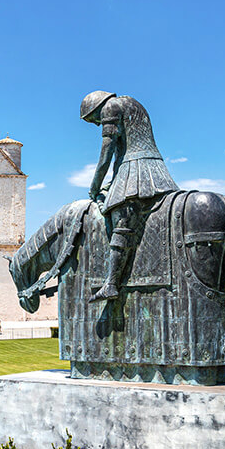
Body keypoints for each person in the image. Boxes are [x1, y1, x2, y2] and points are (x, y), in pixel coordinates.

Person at [80, 90, 179, 302]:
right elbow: (121, 151)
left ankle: (111, 284)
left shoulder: (110, 107)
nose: (97, 124)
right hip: (152, 167)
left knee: (120, 217)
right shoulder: (131, 104)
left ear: (96, 108)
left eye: (93, 120)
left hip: (136, 167)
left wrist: (94, 186)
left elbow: (106, 152)